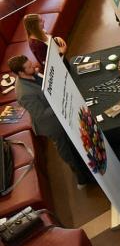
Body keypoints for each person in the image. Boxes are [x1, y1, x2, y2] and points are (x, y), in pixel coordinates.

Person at [9, 55, 92, 188]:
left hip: (60, 116)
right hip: (52, 125)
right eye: (29, 67)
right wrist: (59, 102)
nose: (33, 67)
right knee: (67, 151)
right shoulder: (24, 93)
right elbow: (40, 114)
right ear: (20, 73)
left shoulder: (32, 74)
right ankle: (81, 178)